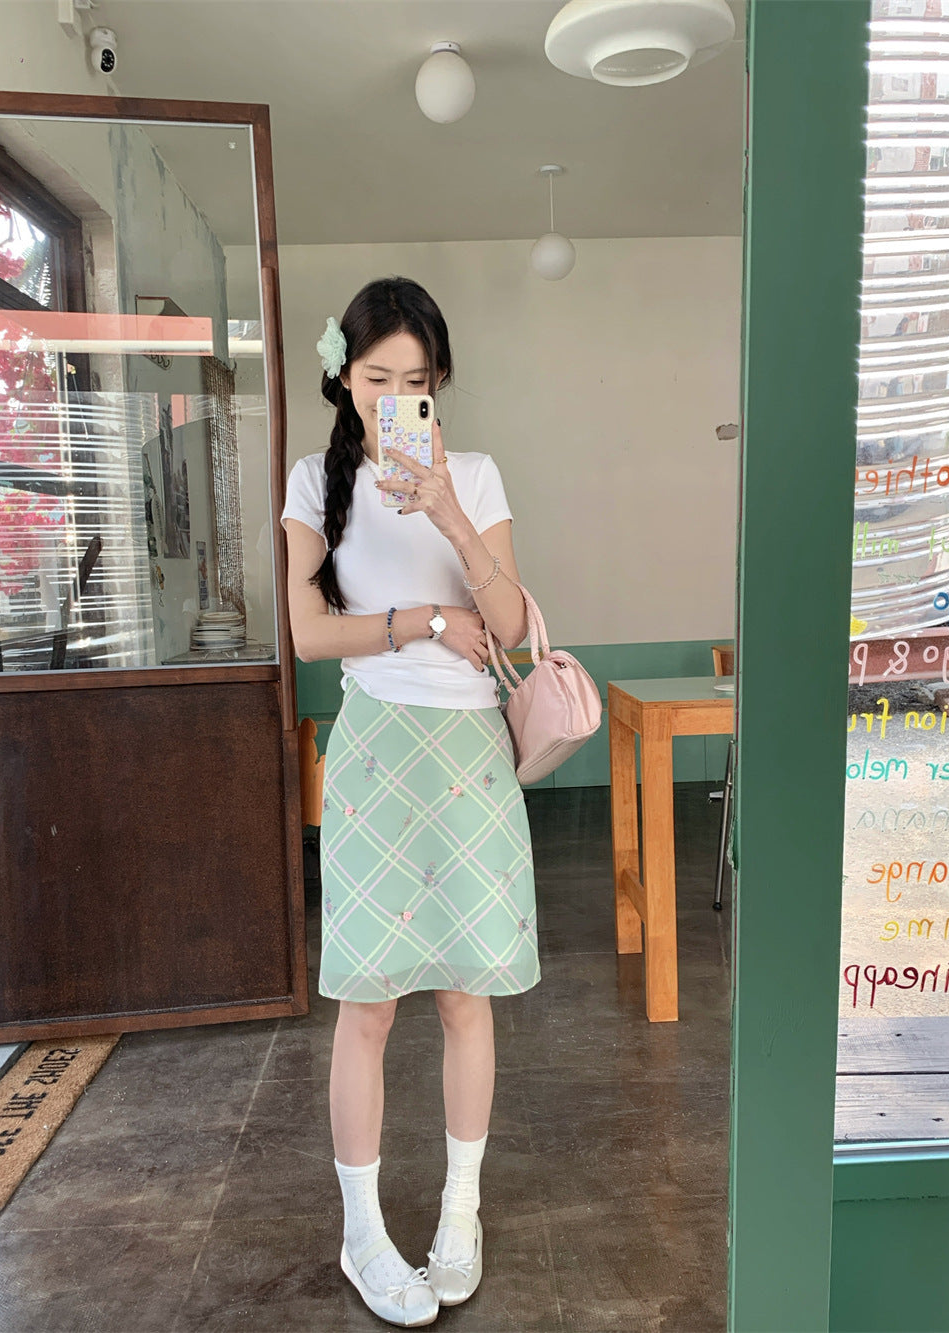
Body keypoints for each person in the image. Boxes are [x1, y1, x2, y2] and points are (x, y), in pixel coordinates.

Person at [281, 277, 540, 1327]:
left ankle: (459, 1213)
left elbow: (511, 625)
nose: (394, 398)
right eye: (377, 377)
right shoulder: (314, 482)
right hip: (377, 749)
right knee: (369, 1001)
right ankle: (362, 1232)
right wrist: (423, 619)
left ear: (439, 385)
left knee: (465, 994)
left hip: (470, 753)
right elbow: (309, 634)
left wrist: (447, 512)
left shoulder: (472, 473)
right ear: (343, 376)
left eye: (416, 381)